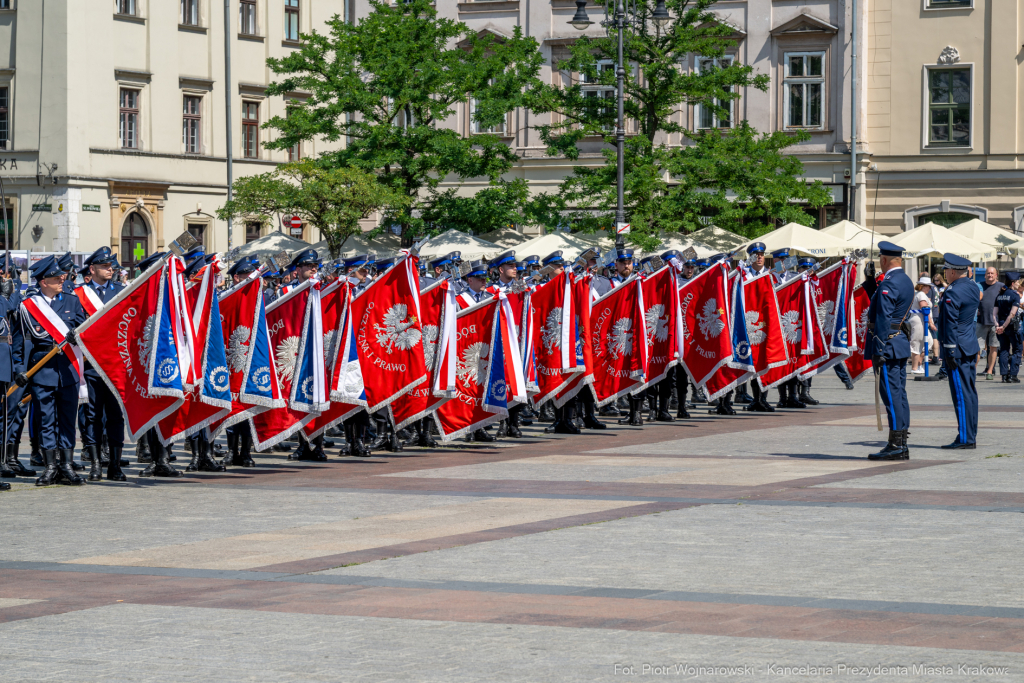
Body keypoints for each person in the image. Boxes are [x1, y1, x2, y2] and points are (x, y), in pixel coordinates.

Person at [12, 256, 88, 486]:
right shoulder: (29, 306)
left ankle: (66, 465)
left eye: (61, 278)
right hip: (42, 368)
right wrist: (18, 368)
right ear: (44, 281)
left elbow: (83, 329)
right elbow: (18, 341)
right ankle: (50, 467)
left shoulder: (72, 302)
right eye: (56, 278)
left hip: (68, 368)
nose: (61, 281)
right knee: (46, 419)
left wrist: (77, 333)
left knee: (67, 419)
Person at [79, 246, 130, 482]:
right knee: (93, 415)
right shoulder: (79, 295)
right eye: (104, 266)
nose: (110, 269)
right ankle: (96, 464)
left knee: (115, 415)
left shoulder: (121, 292)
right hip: (91, 365)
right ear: (92, 269)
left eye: (111, 266)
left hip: (115, 365)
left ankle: (115, 466)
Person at [865, 241, 915, 461]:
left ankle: (896, 445)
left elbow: (884, 316)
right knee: (899, 394)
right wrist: (869, 282)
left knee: (891, 395)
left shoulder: (889, 282)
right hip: (898, 343)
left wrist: (878, 346)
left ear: (883, 260)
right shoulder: (903, 280)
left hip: (888, 345)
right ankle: (901, 440)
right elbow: (885, 305)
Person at [937, 253, 981, 449]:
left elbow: (950, 323)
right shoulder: (972, 286)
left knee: (961, 395)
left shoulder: (953, 291)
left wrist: (949, 351)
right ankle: (969, 434)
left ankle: (965, 438)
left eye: (946, 270)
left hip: (957, 349)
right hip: (969, 344)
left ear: (953, 271)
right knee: (970, 393)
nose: (945, 273)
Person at [993, 271, 1022, 383]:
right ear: (1013, 282)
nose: (1019, 284)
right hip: (1011, 326)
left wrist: (998, 326)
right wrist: (1004, 326)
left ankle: (1004, 375)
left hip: (1000, 325)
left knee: (1004, 350)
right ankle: (1013, 375)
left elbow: (994, 313)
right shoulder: (1014, 295)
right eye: (1018, 282)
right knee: (1017, 349)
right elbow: (1012, 314)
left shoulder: (999, 295)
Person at [976, 266, 1001, 380]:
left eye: (992, 273)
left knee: (993, 347)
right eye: (988, 273)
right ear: (985, 275)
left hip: (995, 322)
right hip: (981, 321)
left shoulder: (1001, 287)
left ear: (996, 275)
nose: (990, 275)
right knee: (977, 347)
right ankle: (973, 369)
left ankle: (990, 370)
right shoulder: (979, 285)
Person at [909, 276, 937, 376]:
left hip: (921, 321)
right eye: (928, 286)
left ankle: (919, 365)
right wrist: (931, 323)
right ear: (923, 286)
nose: (929, 288)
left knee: (928, 342)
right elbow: (925, 309)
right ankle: (915, 367)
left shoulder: (921, 294)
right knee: (917, 343)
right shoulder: (921, 295)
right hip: (919, 321)